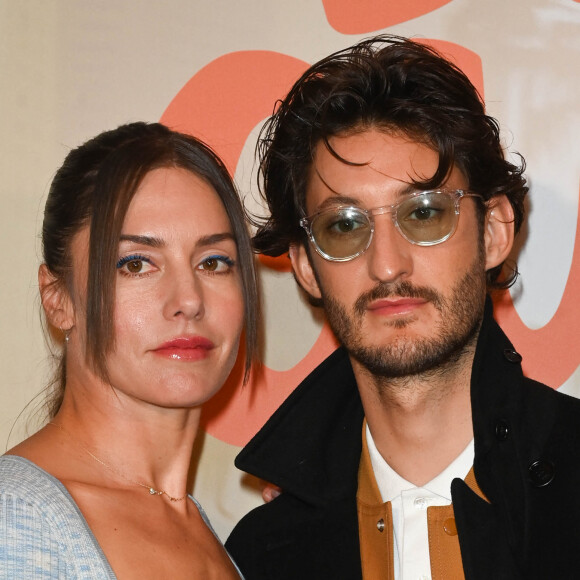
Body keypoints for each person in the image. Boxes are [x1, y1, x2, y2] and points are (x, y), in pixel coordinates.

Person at [225, 35, 580, 579]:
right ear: (304, 265)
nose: (387, 265)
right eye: (344, 226)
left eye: (424, 214)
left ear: (493, 232)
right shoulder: (263, 556)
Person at [0, 122, 258, 578]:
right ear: (58, 298)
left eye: (213, 262)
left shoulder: (201, 528)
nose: (189, 300)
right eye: (136, 264)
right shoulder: (16, 521)